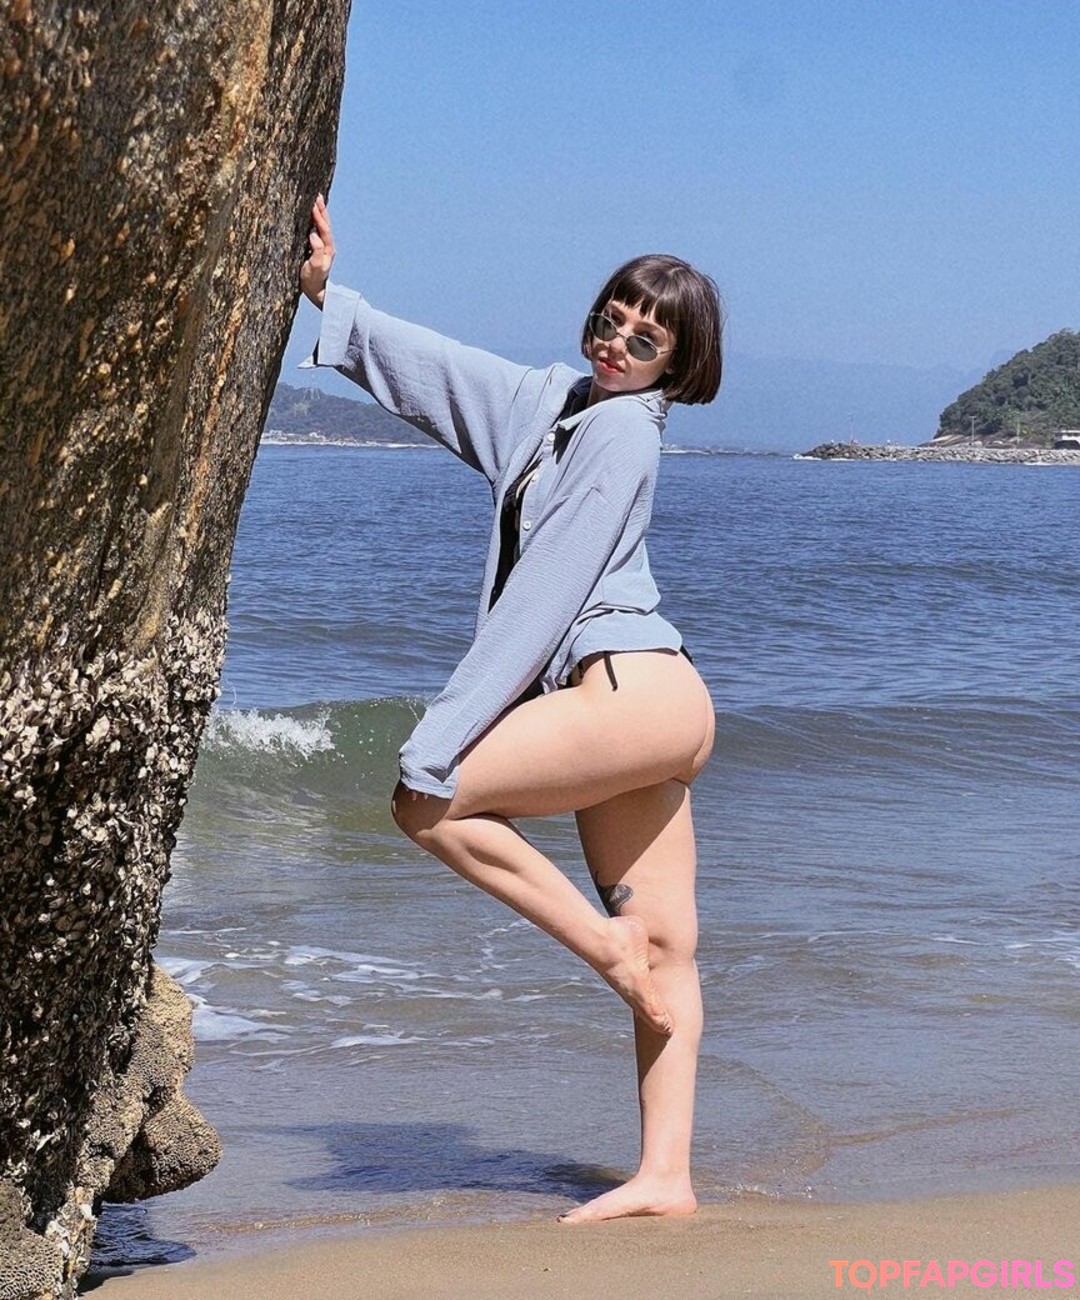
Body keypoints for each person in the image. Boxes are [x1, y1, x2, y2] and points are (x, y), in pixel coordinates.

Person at [299, 194, 723, 1223]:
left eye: (646, 339)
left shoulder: (621, 433)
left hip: (627, 686)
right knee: (669, 945)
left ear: (677, 366)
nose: (618, 342)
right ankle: (665, 1176)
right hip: (655, 700)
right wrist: (327, 297)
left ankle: (603, 950)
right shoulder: (554, 403)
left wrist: (444, 733)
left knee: (426, 801)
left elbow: (548, 593)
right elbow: (439, 372)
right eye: (612, 319)